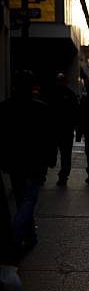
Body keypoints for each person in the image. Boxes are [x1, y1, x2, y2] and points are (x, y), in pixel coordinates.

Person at [0, 70, 55, 252]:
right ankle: (16, 234)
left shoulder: (5, 108)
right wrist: (51, 158)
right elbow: (49, 138)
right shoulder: (41, 108)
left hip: (15, 161)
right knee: (28, 199)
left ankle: (30, 235)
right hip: (35, 161)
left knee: (21, 198)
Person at [47, 73, 79, 186]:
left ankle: (62, 175)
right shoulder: (67, 94)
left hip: (61, 129)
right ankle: (61, 174)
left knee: (62, 154)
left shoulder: (55, 94)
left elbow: (75, 113)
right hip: (59, 129)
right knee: (61, 154)